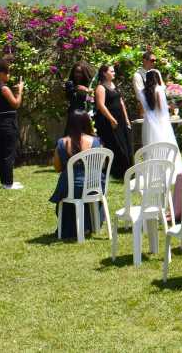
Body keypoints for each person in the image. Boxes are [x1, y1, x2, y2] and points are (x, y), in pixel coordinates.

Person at [49, 110, 102, 238]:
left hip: (71, 189)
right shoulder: (96, 142)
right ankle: (91, 225)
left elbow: (57, 168)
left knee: (66, 189)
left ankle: (69, 228)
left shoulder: (62, 143)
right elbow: (102, 165)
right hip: (93, 187)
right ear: (87, 123)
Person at [0, 56, 24, 189]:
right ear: (1, 74)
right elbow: (16, 104)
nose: (9, 75)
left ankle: (5, 182)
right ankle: (8, 184)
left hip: (1, 121)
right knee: (8, 153)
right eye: (8, 72)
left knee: (3, 153)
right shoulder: (4, 88)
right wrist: (20, 90)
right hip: (7, 123)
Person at [137, 70, 182, 175]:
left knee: (150, 144)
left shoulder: (141, 92)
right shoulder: (158, 90)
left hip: (148, 122)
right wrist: (171, 106)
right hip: (160, 121)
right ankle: (166, 168)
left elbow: (141, 111)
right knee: (164, 142)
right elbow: (160, 107)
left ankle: (152, 171)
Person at [93, 64, 133, 179]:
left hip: (120, 119)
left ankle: (128, 169)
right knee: (115, 144)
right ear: (105, 73)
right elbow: (101, 105)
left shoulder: (114, 85)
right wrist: (111, 119)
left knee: (126, 142)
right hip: (108, 120)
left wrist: (126, 119)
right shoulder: (101, 87)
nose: (114, 73)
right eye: (112, 71)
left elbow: (121, 102)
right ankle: (117, 171)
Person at [132, 49, 157, 114]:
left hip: (157, 108)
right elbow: (140, 95)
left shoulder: (155, 73)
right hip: (146, 108)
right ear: (144, 60)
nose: (154, 62)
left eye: (155, 61)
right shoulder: (138, 75)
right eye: (152, 60)